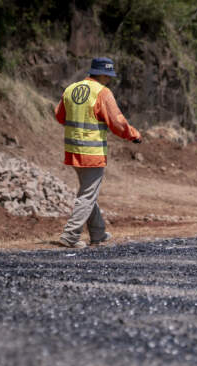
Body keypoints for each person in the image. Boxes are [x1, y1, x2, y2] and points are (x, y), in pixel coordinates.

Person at [54, 57, 142, 248]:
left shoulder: (71, 89)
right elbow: (117, 122)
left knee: (88, 192)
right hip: (92, 152)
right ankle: (70, 236)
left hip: (73, 150)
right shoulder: (102, 93)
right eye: (108, 75)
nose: (109, 79)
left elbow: (60, 116)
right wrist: (133, 134)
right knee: (87, 195)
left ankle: (98, 233)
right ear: (102, 74)